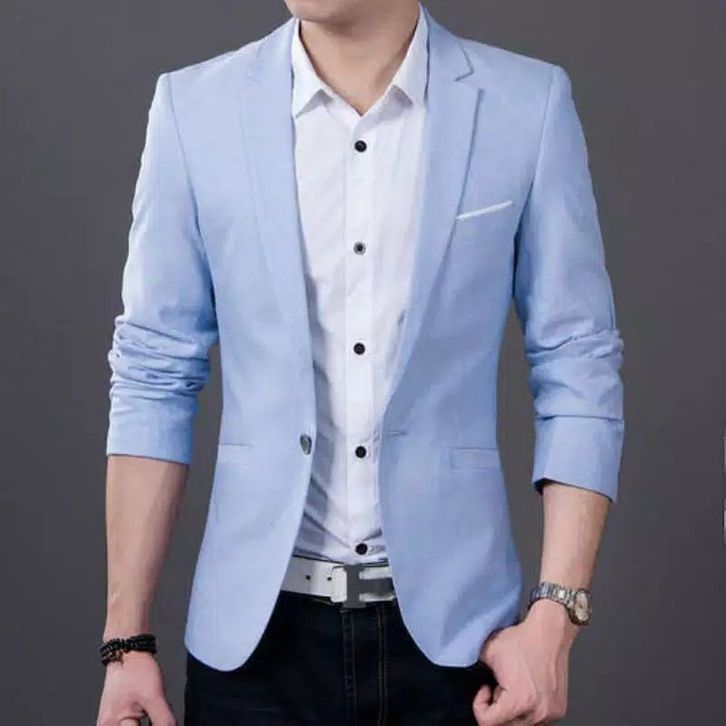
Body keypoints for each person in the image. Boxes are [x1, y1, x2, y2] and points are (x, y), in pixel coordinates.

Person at [96, 1, 625, 724]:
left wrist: (556, 615)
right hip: (254, 653)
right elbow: (154, 371)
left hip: (461, 645)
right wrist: (126, 640)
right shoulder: (194, 109)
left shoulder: (526, 105)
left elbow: (578, 363)